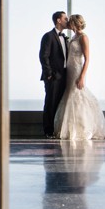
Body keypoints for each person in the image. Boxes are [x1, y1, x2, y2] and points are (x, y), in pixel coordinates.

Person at [53, 14, 105, 140]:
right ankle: (69, 127)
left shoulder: (83, 37)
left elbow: (87, 59)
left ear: (74, 23)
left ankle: (81, 127)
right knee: (69, 94)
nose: (67, 23)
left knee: (78, 94)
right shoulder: (73, 36)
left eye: (70, 21)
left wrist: (82, 77)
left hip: (77, 70)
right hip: (69, 70)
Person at [39, 10, 69, 138]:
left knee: (60, 104)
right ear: (58, 20)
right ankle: (48, 131)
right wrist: (49, 74)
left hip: (65, 76)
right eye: (65, 18)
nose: (67, 21)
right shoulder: (48, 36)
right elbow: (43, 56)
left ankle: (58, 129)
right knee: (50, 103)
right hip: (53, 77)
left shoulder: (65, 37)